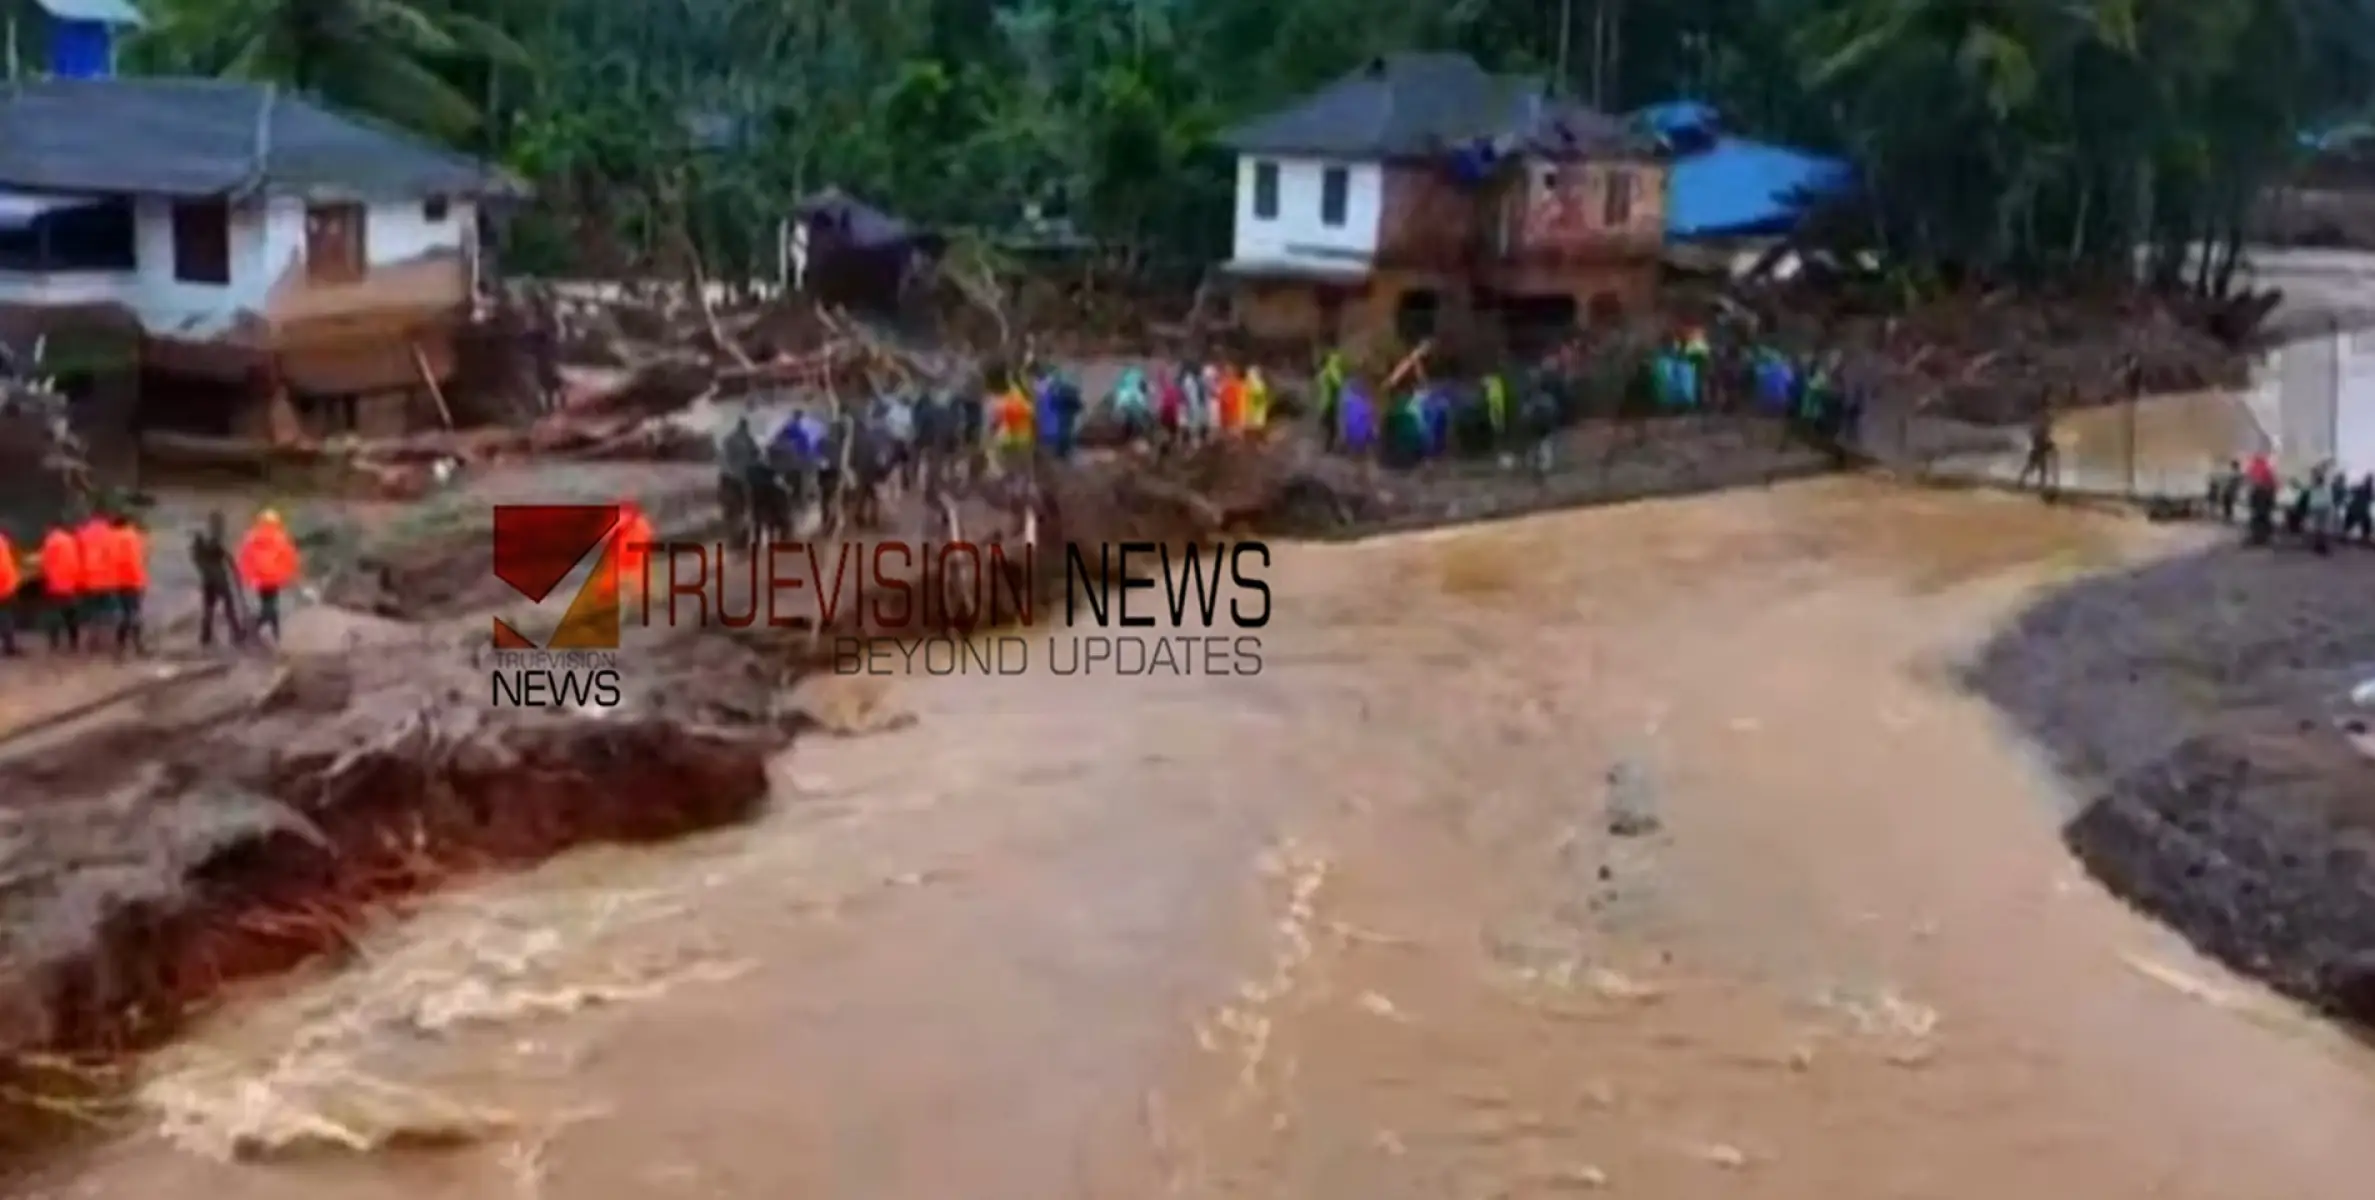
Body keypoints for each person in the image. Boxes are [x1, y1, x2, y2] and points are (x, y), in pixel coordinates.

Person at [237, 509, 299, 644]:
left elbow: (245, 557)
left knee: (266, 602)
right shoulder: (281, 537)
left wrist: (247, 576)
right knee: (272, 603)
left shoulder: (251, 537)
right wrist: (289, 575)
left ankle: (264, 627)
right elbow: (289, 558)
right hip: (275, 577)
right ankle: (272, 631)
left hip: (259, 577)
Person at [190, 511, 244, 648]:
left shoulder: (198, 539)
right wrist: (237, 574)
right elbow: (229, 557)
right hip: (219, 576)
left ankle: (205, 635)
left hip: (207, 578)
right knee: (228, 604)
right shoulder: (217, 537)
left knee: (208, 607)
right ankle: (236, 632)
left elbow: (195, 558)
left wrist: (204, 571)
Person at [73, 510, 114, 651]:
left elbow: (75, 556)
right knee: (105, 611)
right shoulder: (111, 534)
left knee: (89, 611)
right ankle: (105, 640)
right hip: (108, 580)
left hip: (87, 579)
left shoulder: (82, 533)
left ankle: (90, 639)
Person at [37, 522, 79, 651]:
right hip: (70, 583)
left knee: (54, 615)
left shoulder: (51, 542)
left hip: (55, 584)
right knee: (70, 614)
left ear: (50, 528)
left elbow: (45, 562)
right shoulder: (70, 539)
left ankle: (54, 643)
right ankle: (73, 642)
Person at [110, 514, 147, 655]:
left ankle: (121, 644)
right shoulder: (132, 537)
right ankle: (137, 644)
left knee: (124, 612)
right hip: (133, 581)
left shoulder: (111, 538)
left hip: (117, 582)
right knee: (134, 613)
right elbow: (136, 560)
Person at [0, 528, 18, 657]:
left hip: (5, 587)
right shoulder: (2, 544)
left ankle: (9, 646)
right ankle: (9, 647)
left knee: (6, 617)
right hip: (5, 588)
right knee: (6, 617)